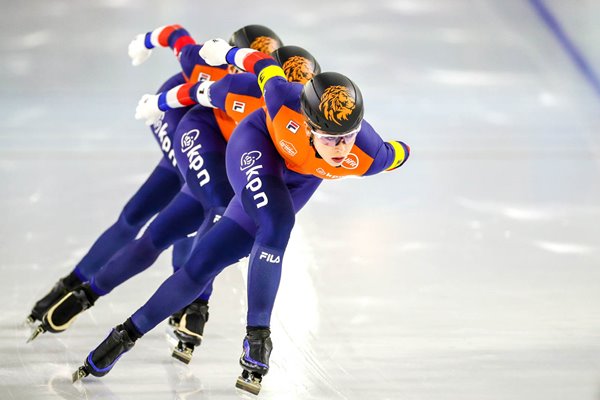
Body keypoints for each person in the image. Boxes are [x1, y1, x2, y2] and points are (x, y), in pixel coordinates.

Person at [71, 38, 409, 396]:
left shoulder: (368, 155)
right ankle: (258, 338)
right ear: (308, 125)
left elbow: (398, 153)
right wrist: (219, 58)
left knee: (202, 266)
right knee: (278, 223)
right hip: (256, 144)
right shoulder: (282, 98)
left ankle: (123, 335)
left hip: (296, 182)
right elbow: (262, 65)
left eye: (348, 137)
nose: (341, 149)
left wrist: (403, 153)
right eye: (330, 139)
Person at [26, 24, 283, 344]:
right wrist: (146, 47)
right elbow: (176, 35)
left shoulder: (272, 91)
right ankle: (74, 287)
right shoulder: (201, 61)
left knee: (186, 210)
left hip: (212, 144)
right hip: (179, 124)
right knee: (180, 209)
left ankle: (181, 296)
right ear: (229, 62)